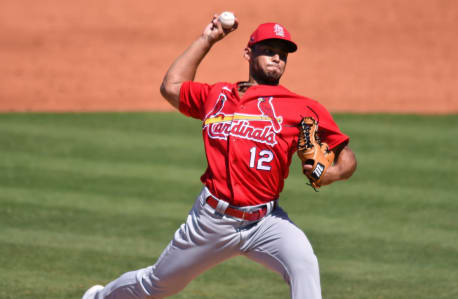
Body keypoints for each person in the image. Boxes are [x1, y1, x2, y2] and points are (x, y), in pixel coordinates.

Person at [82, 14, 357, 299]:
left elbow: (346, 156)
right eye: (269, 51)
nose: (277, 59)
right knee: (157, 285)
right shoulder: (218, 95)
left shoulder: (302, 108)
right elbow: (171, 87)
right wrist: (208, 39)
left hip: (266, 221)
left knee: (304, 264)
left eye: (282, 54)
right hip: (211, 220)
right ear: (248, 53)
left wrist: (333, 173)